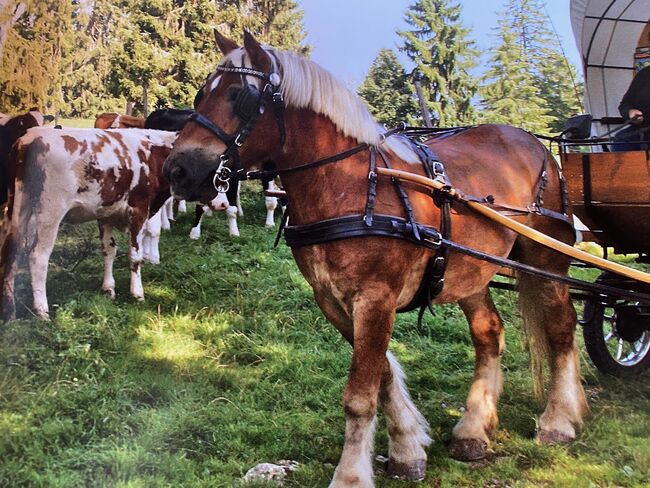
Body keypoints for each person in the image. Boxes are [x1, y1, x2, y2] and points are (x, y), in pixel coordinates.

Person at [612, 65, 650, 151]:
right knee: (621, 139)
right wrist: (630, 112)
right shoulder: (644, 74)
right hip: (643, 129)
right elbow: (625, 104)